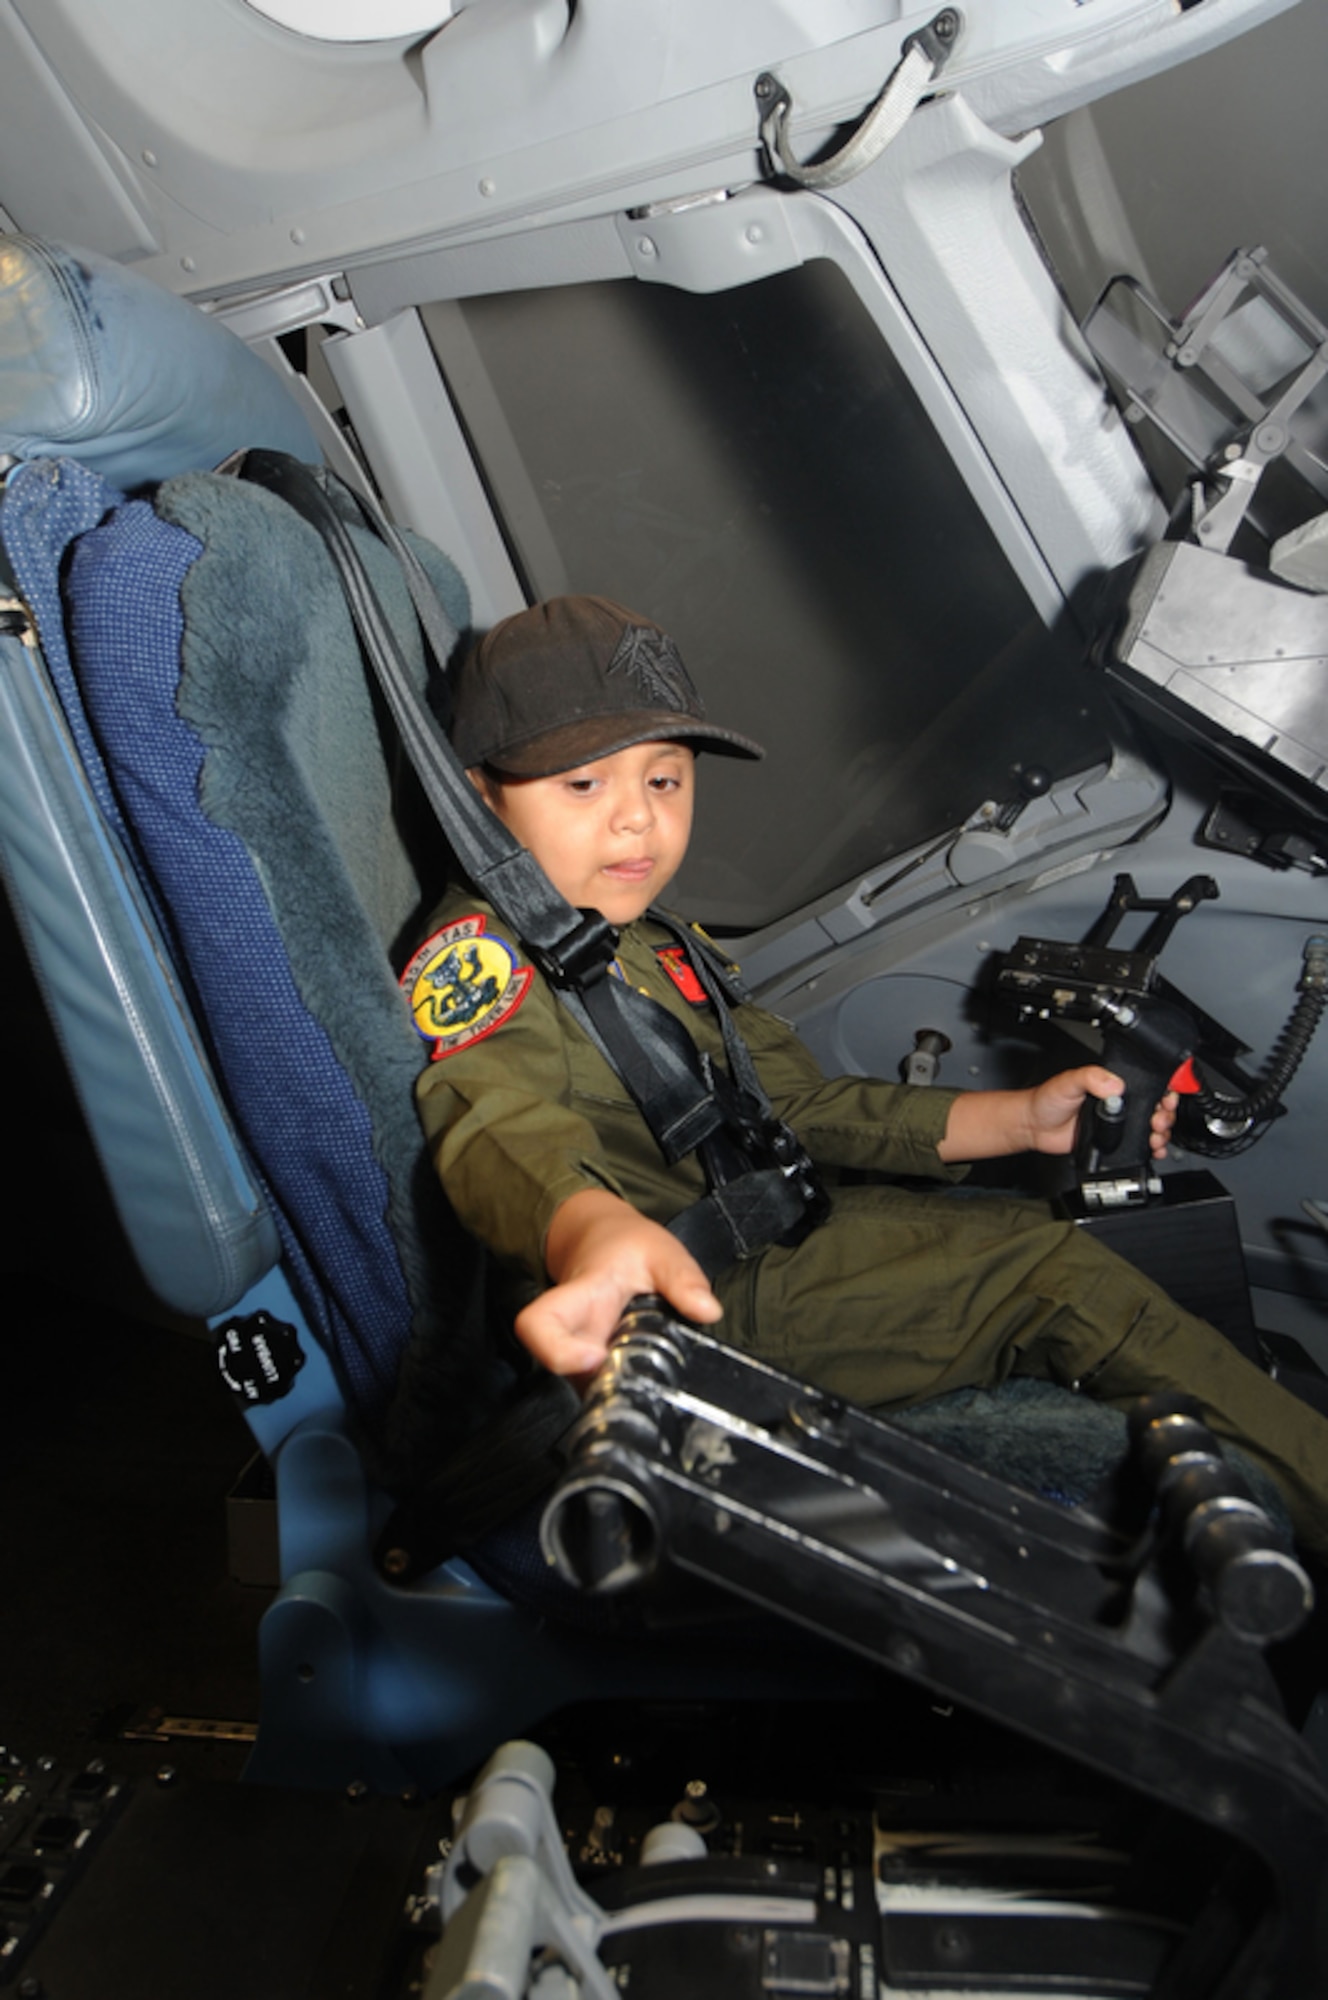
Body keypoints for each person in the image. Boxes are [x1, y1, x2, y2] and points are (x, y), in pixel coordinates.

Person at [404, 594, 1328, 1556]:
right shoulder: (484, 955)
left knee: (1047, 1230)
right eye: (585, 786)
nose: (639, 820)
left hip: (776, 1235)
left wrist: (1019, 1120)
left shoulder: (646, 937)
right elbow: (494, 1118)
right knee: (1054, 1280)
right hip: (694, 1311)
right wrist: (588, 1235)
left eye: (667, 781)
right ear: (481, 797)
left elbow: (797, 1104)